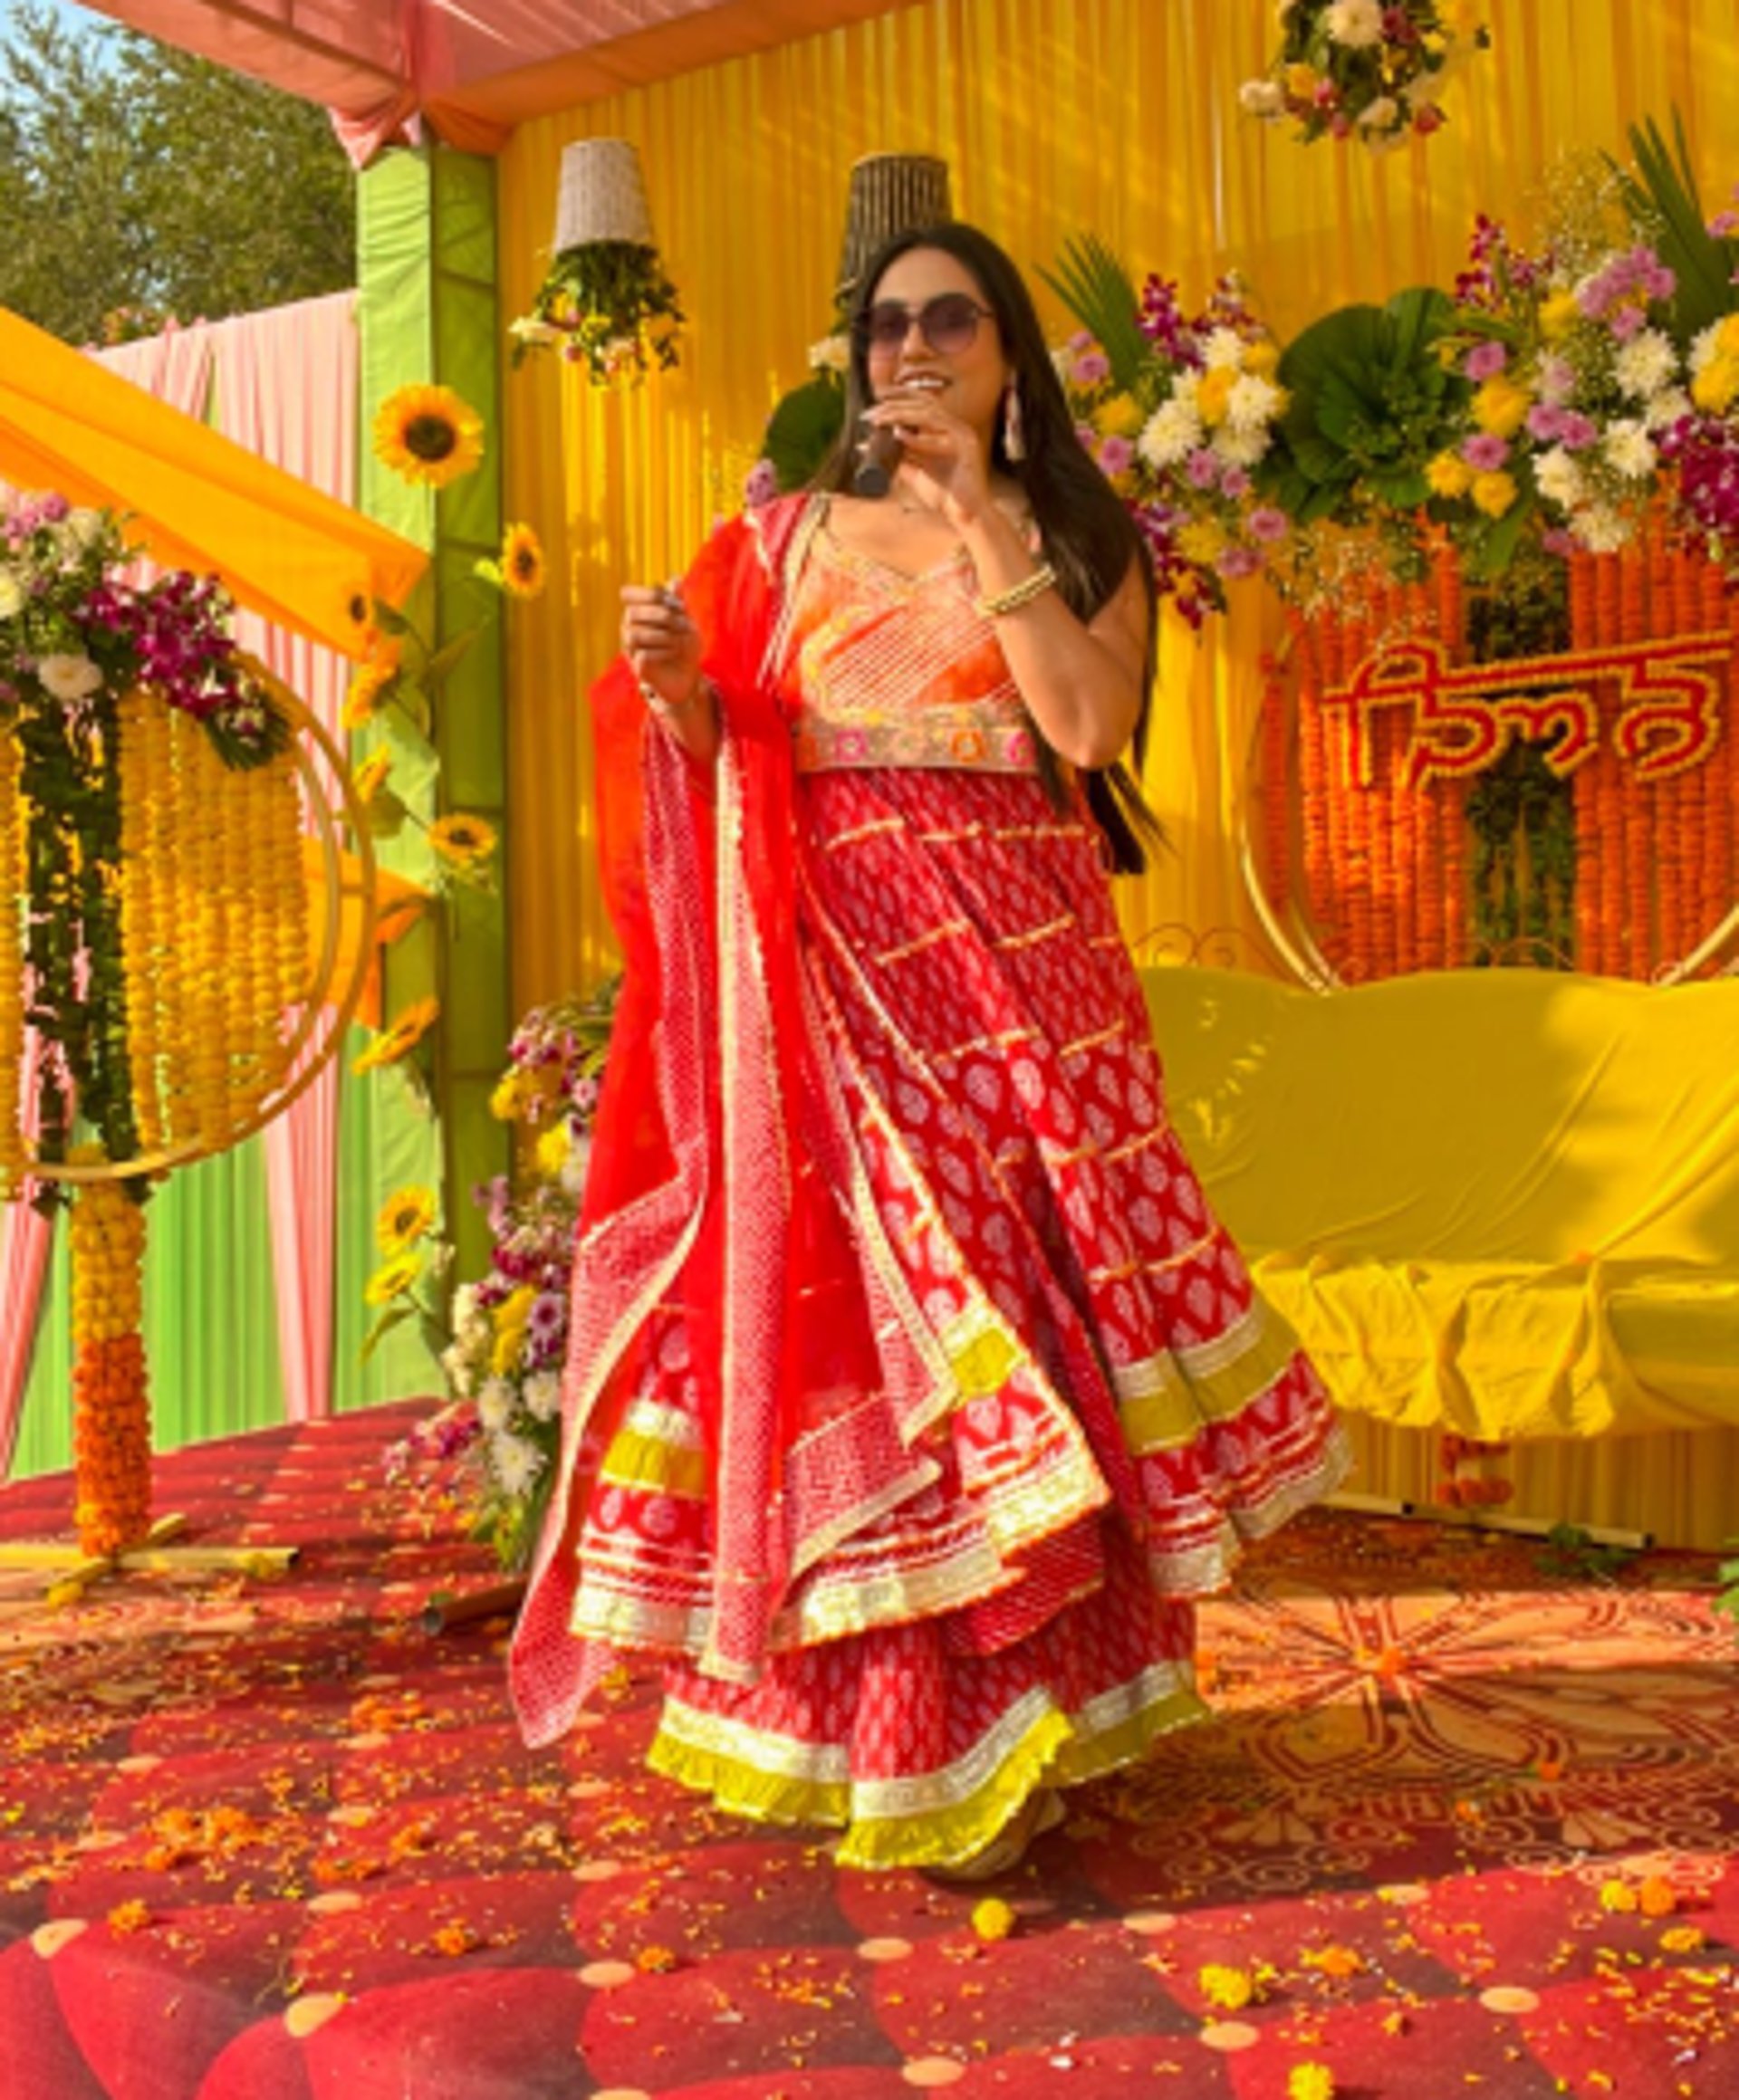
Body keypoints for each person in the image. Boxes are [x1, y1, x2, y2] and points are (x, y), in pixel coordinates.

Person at [510, 221, 1349, 1876]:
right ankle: (909, 1734)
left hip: (1037, 996)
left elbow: (1090, 729)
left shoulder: (1079, 532)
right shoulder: (782, 536)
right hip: (848, 992)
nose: (908, 348)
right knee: (907, 1336)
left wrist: (981, 513)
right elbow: (730, 756)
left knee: (1043, 1319)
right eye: (882, 326)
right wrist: (680, 702)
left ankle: (1062, 1712)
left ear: (1005, 350)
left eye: (945, 320)